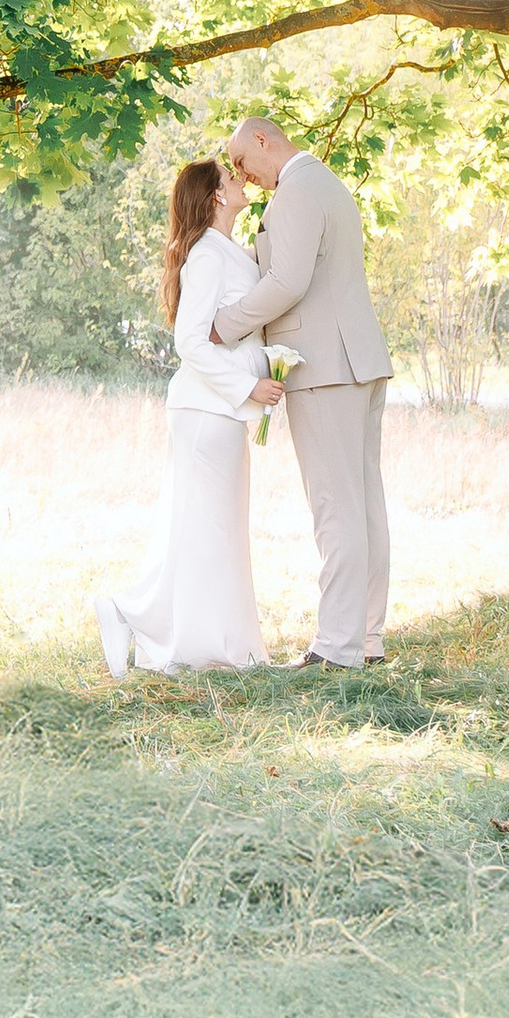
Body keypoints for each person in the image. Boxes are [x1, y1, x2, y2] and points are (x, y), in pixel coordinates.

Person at [209, 115, 394, 668]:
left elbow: (287, 282)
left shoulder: (293, 194)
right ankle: (365, 638)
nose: (245, 176)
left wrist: (226, 324)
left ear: (263, 141)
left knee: (336, 508)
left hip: (324, 366)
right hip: (359, 358)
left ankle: (338, 649)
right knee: (364, 506)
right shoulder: (329, 184)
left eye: (243, 162)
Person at [93, 156, 287, 677]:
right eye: (230, 177)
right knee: (209, 533)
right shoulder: (206, 256)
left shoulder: (226, 251)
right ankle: (195, 643)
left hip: (216, 412)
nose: (240, 179)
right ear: (217, 196)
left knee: (206, 532)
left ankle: (169, 629)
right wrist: (249, 384)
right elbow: (190, 342)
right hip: (205, 412)